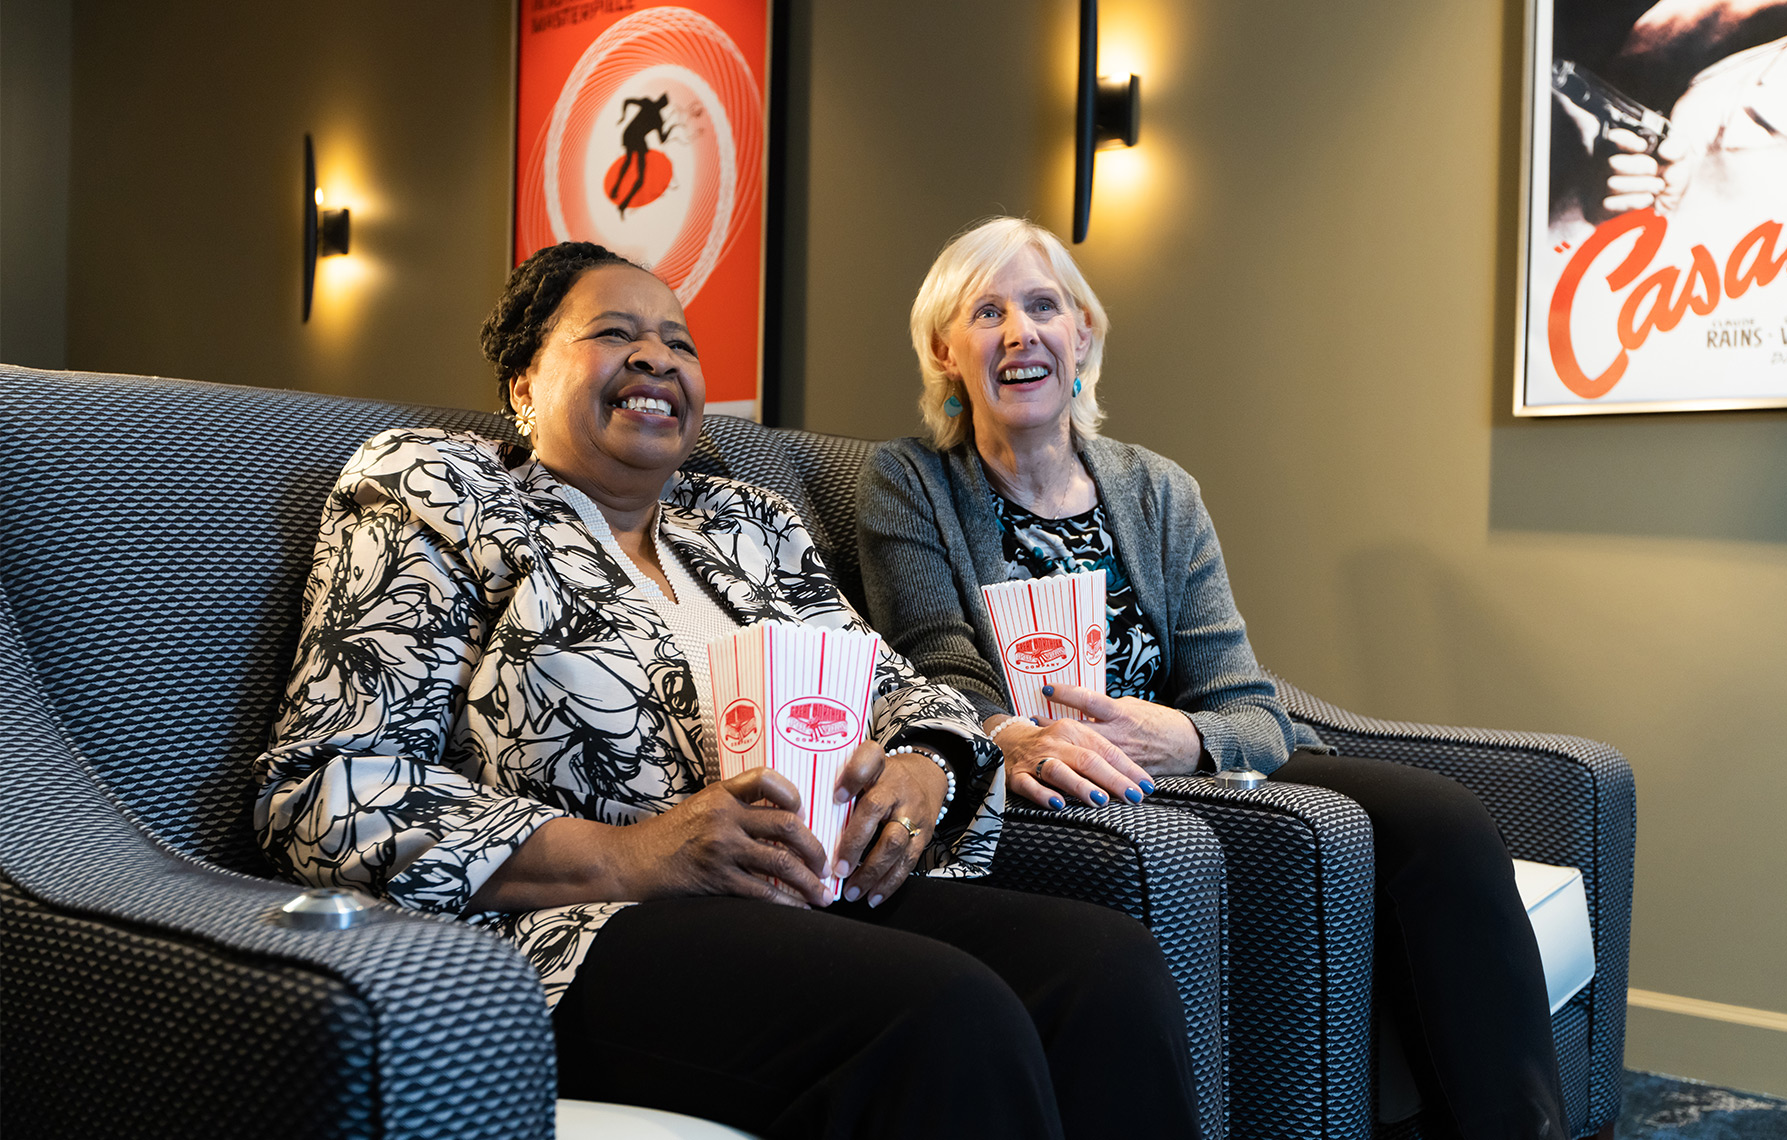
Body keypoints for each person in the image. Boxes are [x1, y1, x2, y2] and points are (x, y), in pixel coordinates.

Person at [254, 240, 1198, 1139]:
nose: (657, 358)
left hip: (809, 889)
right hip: (585, 927)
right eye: (616, 333)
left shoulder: (748, 525)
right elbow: (327, 787)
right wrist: (636, 855)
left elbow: (907, 692)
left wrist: (923, 770)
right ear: (523, 384)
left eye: (680, 342)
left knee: (1103, 968)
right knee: (945, 1014)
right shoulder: (437, 493)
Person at [857, 217, 1570, 1140]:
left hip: (1188, 761)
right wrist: (1015, 735)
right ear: (944, 353)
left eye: (1043, 306)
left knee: (1445, 819)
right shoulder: (908, 482)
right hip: (1062, 783)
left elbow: (1247, 703)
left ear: (1083, 335)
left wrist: (1187, 736)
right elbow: (937, 660)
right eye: (986, 313)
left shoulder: (1160, 490)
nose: (1020, 332)